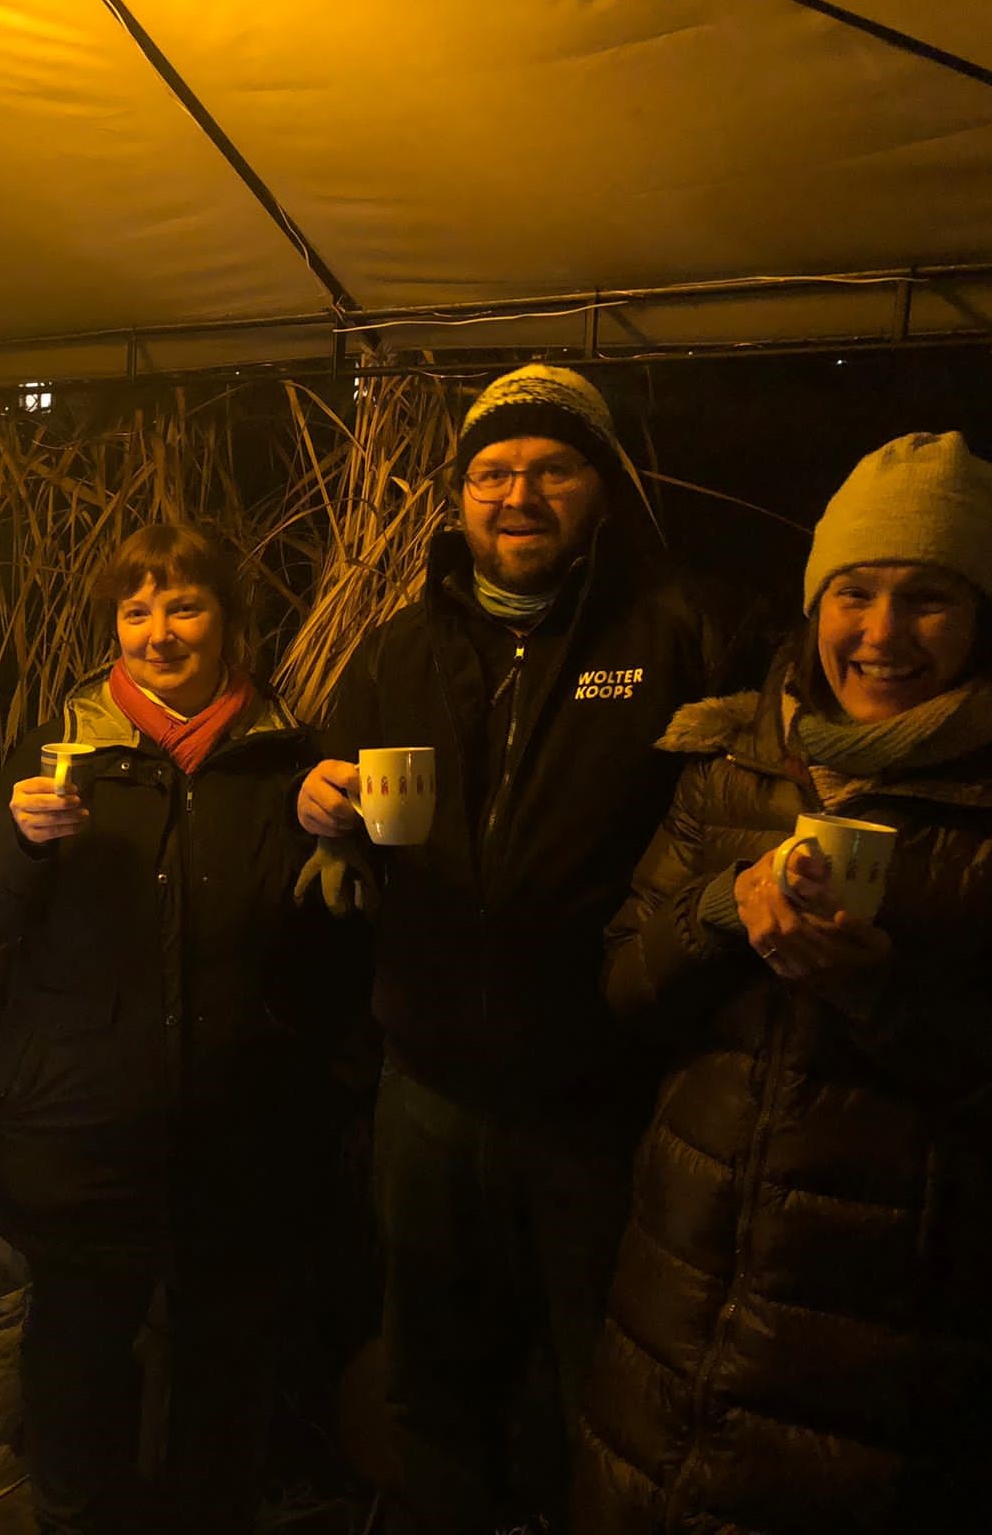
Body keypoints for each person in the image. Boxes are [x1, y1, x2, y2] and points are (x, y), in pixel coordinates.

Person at [296, 364, 753, 1533]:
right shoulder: (398, 648)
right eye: (491, 474)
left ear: (600, 489)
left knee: (591, 1365)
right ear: (457, 500)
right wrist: (320, 808)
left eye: (552, 469)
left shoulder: (677, 631)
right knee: (428, 1361)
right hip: (426, 1079)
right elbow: (337, 786)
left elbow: (740, 809)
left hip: (597, 1088)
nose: (518, 496)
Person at [576, 432, 992, 1534]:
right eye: (853, 593)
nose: (881, 634)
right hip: (678, 1303)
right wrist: (721, 908)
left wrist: (883, 1001)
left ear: (986, 616)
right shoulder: (736, 759)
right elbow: (626, 985)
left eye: (927, 598)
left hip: (884, 1355)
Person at [0, 523, 337, 1535]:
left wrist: (340, 844)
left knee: (225, 1368)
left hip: (237, 1131)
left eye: (184, 607)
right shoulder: (63, 750)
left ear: (228, 621)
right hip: (81, 1127)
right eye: (136, 611)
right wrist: (18, 842)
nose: (158, 633)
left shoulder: (284, 761)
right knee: (77, 1362)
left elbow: (322, 946)